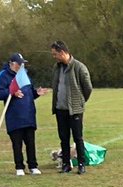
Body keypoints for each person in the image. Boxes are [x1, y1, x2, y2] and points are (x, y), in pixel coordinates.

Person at [0, 52, 48, 177]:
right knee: (17, 143)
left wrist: (36, 93)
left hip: (28, 114)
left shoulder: (25, 75)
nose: (21, 66)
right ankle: (19, 167)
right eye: (19, 64)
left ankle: (33, 166)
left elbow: (29, 92)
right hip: (14, 116)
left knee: (30, 142)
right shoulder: (4, 75)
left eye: (22, 63)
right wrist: (12, 93)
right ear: (12, 64)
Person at [49, 41, 92, 175]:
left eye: (55, 54)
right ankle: (66, 164)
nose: (54, 57)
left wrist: (79, 102)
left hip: (75, 109)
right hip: (60, 109)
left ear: (62, 53)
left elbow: (88, 88)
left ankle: (81, 164)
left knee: (78, 137)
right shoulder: (57, 68)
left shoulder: (79, 67)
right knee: (64, 137)